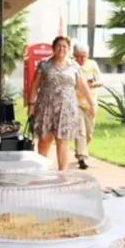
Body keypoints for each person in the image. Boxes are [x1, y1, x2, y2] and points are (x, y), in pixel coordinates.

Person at [27, 36, 97, 171]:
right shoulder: (44, 64)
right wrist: (31, 105)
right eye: (59, 45)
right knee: (45, 139)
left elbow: (82, 85)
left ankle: (62, 174)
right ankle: (41, 171)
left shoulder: (74, 66)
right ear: (53, 48)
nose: (61, 49)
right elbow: (35, 85)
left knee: (63, 141)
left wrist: (92, 103)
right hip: (46, 107)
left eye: (64, 46)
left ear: (69, 49)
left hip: (67, 109)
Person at [72, 43, 102, 170]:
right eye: (78, 56)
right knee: (81, 131)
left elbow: (101, 81)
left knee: (89, 133)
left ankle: (81, 150)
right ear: (74, 56)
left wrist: (93, 84)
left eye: (83, 56)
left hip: (90, 103)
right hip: (75, 103)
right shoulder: (71, 66)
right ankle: (82, 158)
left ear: (87, 55)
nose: (81, 59)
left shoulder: (92, 64)